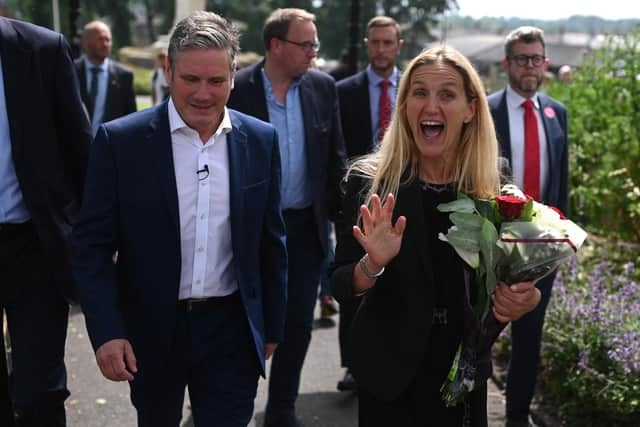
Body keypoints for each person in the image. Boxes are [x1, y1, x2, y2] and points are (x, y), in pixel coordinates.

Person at [72, 11, 288, 427]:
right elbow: (91, 247)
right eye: (191, 80)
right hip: (151, 331)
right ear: (168, 70)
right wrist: (107, 330)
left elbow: (270, 239)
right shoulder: (121, 142)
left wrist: (271, 325)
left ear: (233, 74)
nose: (204, 94)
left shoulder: (260, 140)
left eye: (216, 81)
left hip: (232, 332)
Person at [330, 46, 542, 427]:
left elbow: (512, 281)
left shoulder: (493, 189)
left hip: (461, 377)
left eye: (447, 94)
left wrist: (524, 297)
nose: (431, 106)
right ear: (404, 105)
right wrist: (373, 264)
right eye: (419, 92)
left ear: (470, 109)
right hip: (388, 377)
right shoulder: (370, 183)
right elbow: (343, 283)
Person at [228, 8, 346, 427]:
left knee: (297, 325)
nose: (315, 51)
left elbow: (335, 161)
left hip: (304, 230)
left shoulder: (322, 88)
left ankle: (281, 410)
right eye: (306, 43)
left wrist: (343, 223)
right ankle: (222, 403)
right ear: (276, 45)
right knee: (238, 319)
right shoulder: (235, 88)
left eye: (315, 43)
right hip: (245, 230)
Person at [0, 17, 92, 427]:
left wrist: (101, 238)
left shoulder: (41, 50)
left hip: (34, 246)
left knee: (41, 390)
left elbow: (79, 147)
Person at [487, 26, 569, 427]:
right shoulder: (486, 110)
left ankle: (517, 416)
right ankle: (466, 411)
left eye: (537, 58)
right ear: (507, 64)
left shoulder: (557, 113)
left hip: (540, 243)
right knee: (479, 331)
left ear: (545, 63)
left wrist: (562, 239)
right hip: (489, 240)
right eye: (522, 58)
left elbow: (561, 183)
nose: (530, 66)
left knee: (528, 337)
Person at [333, 15, 404, 392]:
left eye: (387, 42)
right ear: (367, 43)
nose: (380, 49)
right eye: (374, 42)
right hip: (355, 199)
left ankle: (392, 357)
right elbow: (335, 149)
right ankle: (353, 364)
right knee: (353, 275)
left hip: (402, 194)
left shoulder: (414, 88)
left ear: (399, 45)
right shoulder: (343, 90)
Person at [75, 20, 137, 136]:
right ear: (85, 42)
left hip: (112, 148)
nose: (105, 44)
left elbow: (132, 119)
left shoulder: (124, 76)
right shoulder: (72, 72)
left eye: (108, 40)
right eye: (100, 39)